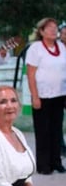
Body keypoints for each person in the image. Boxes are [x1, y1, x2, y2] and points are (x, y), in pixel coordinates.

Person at [25, 17, 66, 174]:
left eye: (55, 27)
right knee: (43, 131)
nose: (53, 30)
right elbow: (31, 74)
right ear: (41, 31)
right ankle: (44, 165)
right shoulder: (35, 49)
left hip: (60, 94)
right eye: (49, 28)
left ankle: (56, 161)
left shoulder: (61, 47)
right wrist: (35, 96)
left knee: (57, 129)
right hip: (42, 95)